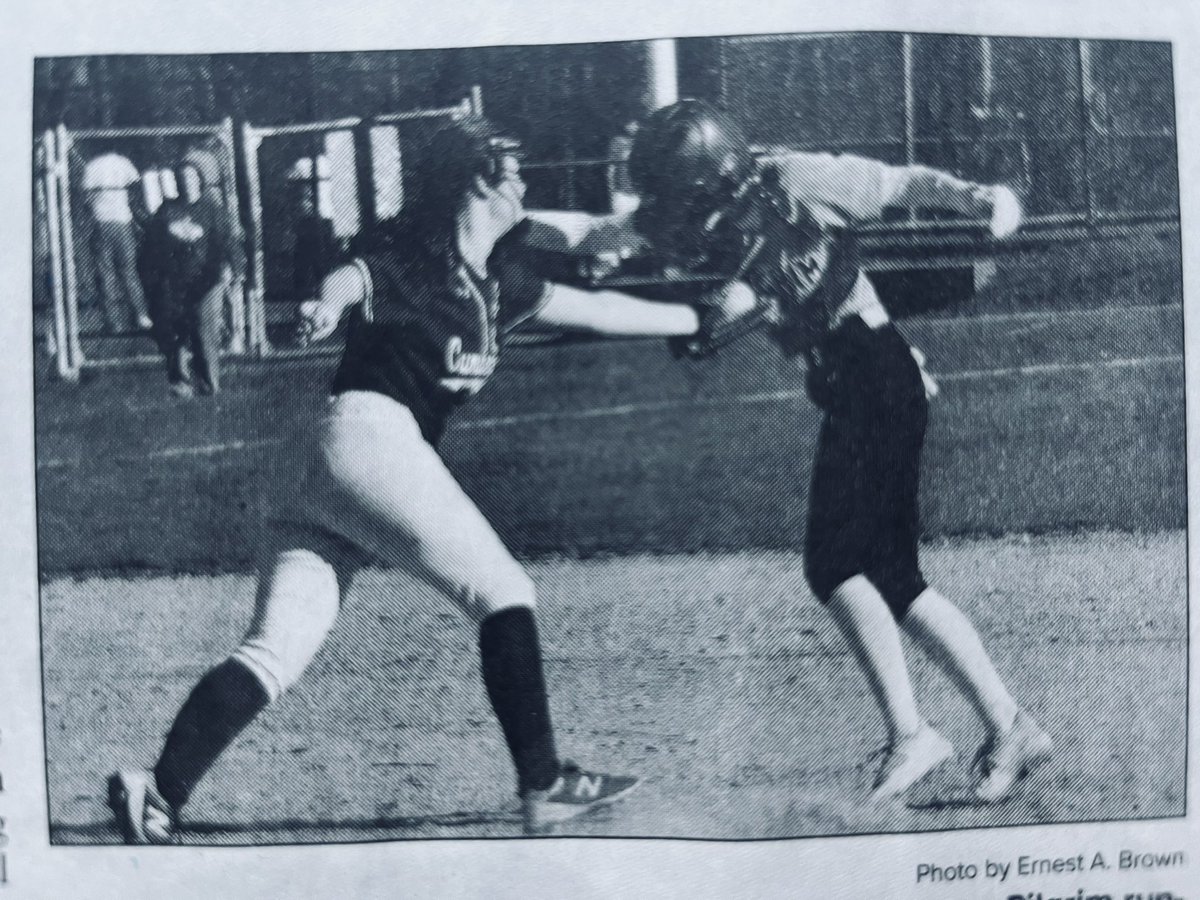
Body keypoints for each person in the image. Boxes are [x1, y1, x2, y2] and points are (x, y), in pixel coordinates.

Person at [107, 117, 725, 843]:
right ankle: (545, 782)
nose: (524, 183)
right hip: (366, 438)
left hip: (319, 464)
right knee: (504, 592)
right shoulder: (413, 258)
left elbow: (597, 307)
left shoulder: (501, 279)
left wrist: (696, 317)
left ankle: (158, 794)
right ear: (479, 181)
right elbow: (353, 278)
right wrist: (327, 305)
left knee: (273, 651)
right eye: (514, 171)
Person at [527, 99, 1052, 805]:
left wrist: (977, 198)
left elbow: (897, 184)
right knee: (890, 575)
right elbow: (598, 232)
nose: (663, 205)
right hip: (857, 383)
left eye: (672, 189)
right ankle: (1008, 724)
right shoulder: (702, 212)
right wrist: (512, 221)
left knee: (838, 565)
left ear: (709, 178)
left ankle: (915, 734)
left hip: (877, 371)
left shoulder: (794, 178)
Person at [137, 149, 237, 398]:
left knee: (203, 330)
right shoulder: (167, 211)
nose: (187, 183)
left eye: (192, 178)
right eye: (182, 178)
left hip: (206, 280)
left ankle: (208, 384)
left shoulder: (213, 210)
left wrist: (232, 269)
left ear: (200, 181)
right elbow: (151, 247)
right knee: (175, 333)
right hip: (175, 283)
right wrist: (154, 278)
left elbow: (229, 243)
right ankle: (180, 382)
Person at [81, 151, 153, 333]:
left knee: (106, 273)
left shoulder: (92, 165)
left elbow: (87, 199)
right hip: (122, 222)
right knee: (128, 271)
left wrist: (100, 200)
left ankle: (114, 322)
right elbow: (136, 186)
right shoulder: (123, 161)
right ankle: (140, 315)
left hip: (103, 221)